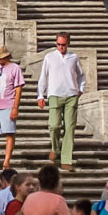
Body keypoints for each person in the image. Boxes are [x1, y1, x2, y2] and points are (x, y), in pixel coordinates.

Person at [37, 32, 86, 171]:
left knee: (70, 128)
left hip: (71, 94)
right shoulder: (49, 57)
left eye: (63, 45)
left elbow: (81, 75)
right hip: (54, 94)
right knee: (54, 125)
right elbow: (43, 77)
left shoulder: (74, 57)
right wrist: (41, 95)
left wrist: (80, 89)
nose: (61, 47)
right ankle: (55, 148)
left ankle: (66, 159)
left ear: (68, 44)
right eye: (58, 44)